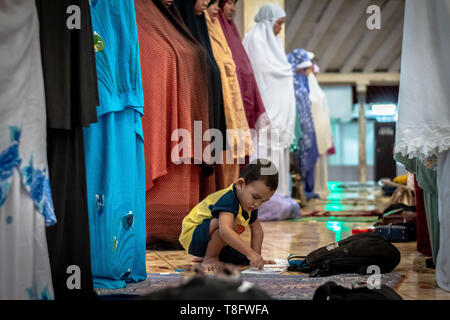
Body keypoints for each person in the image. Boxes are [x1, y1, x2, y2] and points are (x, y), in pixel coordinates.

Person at [179, 159, 277, 271]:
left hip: (209, 233)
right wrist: (251, 253)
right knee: (226, 226)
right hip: (193, 233)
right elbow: (225, 231)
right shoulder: (228, 199)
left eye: (263, 201)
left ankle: (203, 254)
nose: (257, 204)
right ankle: (209, 257)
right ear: (240, 184)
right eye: (255, 197)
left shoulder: (250, 204)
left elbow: (257, 231)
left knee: (241, 258)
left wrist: (256, 257)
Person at [242, 3, 296, 198]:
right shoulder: (254, 40)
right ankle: (261, 198)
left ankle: (278, 196)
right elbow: (259, 73)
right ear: (269, 21)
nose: (279, 28)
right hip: (264, 113)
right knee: (263, 154)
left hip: (277, 114)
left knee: (276, 156)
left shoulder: (273, 44)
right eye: (278, 23)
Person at [287, 48, 319, 199]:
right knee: (295, 163)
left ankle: (303, 192)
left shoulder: (302, 83)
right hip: (295, 130)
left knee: (305, 160)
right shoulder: (292, 82)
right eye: (304, 69)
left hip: (305, 130)